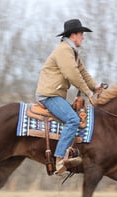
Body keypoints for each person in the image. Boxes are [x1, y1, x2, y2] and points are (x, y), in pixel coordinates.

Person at [36, 19, 100, 175]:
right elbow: (72, 74)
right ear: (74, 35)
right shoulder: (64, 51)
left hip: (55, 95)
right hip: (49, 95)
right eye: (81, 34)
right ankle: (59, 159)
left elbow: (82, 72)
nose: (83, 37)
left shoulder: (71, 52)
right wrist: (88, 92)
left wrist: (95, 86)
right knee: (73, 120)